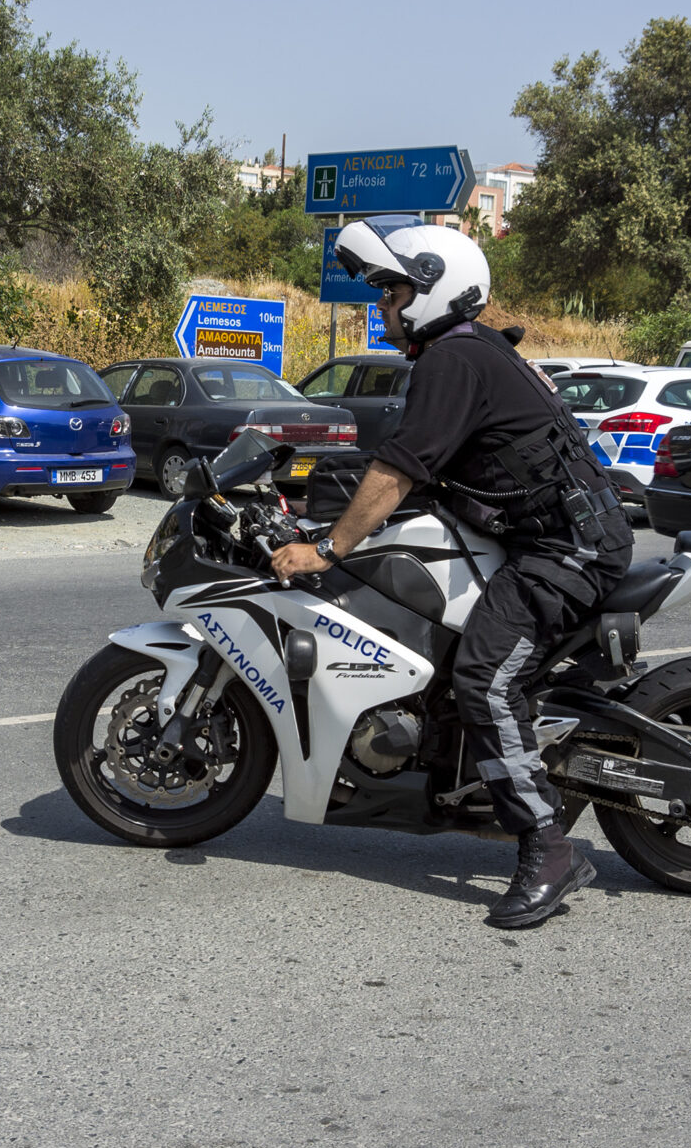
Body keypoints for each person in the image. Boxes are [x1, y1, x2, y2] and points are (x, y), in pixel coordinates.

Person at [268, 221, 632, 931]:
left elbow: (400, 467)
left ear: (437, 289)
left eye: (395, 290)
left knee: (485, 679)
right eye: (383, 291)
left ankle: (549, 848)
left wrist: (328, 550)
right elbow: (418, 463)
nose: (383, 304)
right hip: (545, 537)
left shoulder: (454, 359)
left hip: (567, 549)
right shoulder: (466, 350)